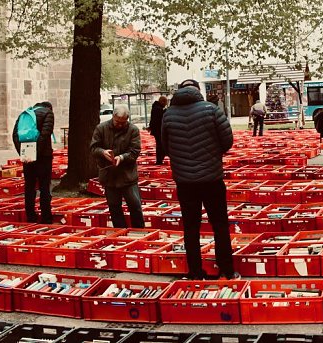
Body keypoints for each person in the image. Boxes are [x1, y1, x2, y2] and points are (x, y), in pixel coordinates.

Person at [161, 79, 237, 280]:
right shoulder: (211, 110)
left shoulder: (169, 114)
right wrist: (212, 154)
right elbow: (227, 141)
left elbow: (166, 146)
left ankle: (195, 272)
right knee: (220, 225)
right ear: (197, 91)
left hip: (185, 182)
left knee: (191, 228)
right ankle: (227, 270)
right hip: (212, 178)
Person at [90, 106, 145, 228]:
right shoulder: (101, 128)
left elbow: (135, 151)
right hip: (109, 175)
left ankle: (139, 230)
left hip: (127, 175)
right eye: (117, 122)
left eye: (123, 122)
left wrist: (122, 157)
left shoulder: (133, 130)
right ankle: (120, 232)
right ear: (113, 117)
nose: (120, 125)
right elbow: (93, 148)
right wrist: (102, 152)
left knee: (135, 205)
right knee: (114, 207)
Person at [12, 101, 55, 224]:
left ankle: (30, 216)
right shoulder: (48, 113)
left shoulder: (24, 114)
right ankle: (46, 217)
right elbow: (46, 134)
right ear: (49, 108)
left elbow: (15, 135)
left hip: (27, 157)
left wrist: (23, 152)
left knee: (29, 187)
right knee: (44, 187)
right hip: (43, 157)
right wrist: (37, 152)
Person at [148, 96, 168, 165]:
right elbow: (159, 120)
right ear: (162, 101)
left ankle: (160, 159)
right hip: (158, 131)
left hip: (157, 130)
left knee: (159, 145)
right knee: (160, 145)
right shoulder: (158, 109)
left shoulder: (155, 107)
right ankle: (159, 160)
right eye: (165, 103)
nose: (165, 104)